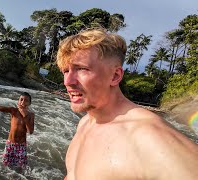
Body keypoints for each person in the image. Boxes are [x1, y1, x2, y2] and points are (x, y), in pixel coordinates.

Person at [56, 28, 198, 180]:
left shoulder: (148, 135)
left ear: (115, 76)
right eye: (65, 71)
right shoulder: (85, 123)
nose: (67, 81)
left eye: (81, 69)